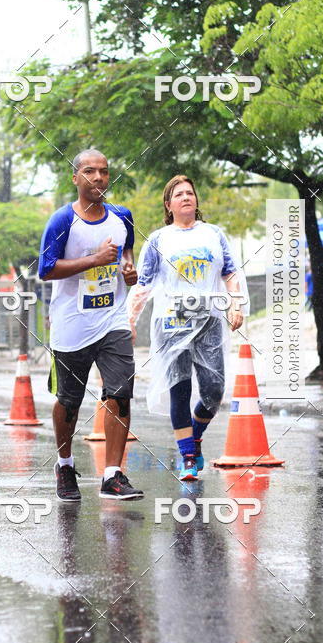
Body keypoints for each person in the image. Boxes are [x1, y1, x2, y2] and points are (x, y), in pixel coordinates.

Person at [38, 149, 144, 502]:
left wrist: (128, 269)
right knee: (69, 401)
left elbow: (126, 251)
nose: (98, 177)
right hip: (72, 324)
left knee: (121, 392)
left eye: (104, 171)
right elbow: (46, 269)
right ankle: (65, 465)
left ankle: (112, 475)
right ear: (75, 178)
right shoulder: (62, 220)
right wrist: (94, 260)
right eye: (89, 171)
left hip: (112, 319)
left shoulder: (122, 216)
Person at [127, 175, 247, 481]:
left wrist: (236, 304)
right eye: (178, 194)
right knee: (179, 389)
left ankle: (195, 436)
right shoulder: (158, 240)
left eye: (189, 193)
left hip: (209, 321)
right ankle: (188, 457)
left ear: (196, 200)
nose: (185, 197)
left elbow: (230, 273)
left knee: (213, 391)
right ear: (168, 205)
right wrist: (129, 321)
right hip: (172, 323)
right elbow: (143, 285)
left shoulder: (213, 234)